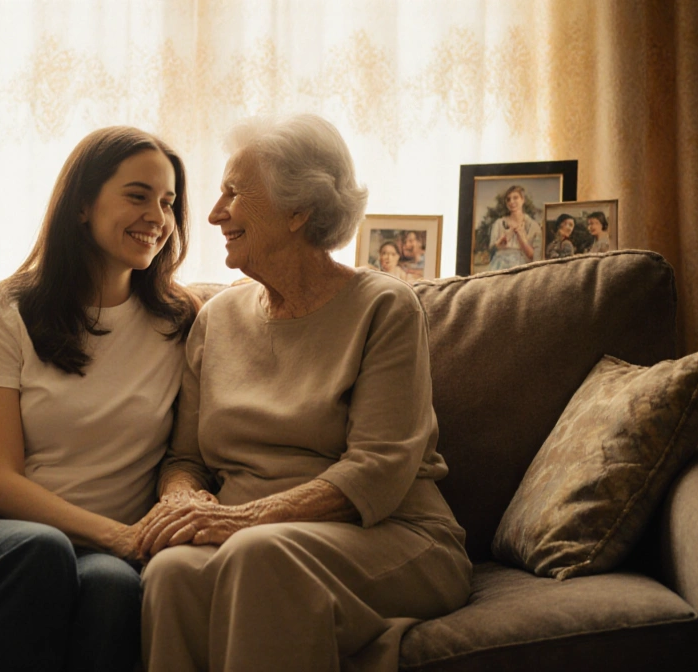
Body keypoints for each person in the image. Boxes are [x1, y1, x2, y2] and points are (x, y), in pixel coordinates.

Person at [136, 114, 471, 672]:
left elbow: (378, 468)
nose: (215, 213)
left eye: (233, 194)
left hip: (388, 533)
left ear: (298, 210)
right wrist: (180, 498)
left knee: (256, 554)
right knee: (171, 571)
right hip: (253, 541)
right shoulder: (216, 319)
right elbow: (185, 458)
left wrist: (245, 521)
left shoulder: (384, 307)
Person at [0, 126, 198, 672]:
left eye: (168, 202)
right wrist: (124, 538)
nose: (157, 215)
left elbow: (193, 453)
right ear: (81, 205)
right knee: (41, 552)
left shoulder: (181, 324)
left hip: (96, 556)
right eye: (137, 195)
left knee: (111, 587)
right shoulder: (3, 311)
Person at [486, 185, 542, 270]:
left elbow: (535, 257)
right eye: (508, 199)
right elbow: (491, 253)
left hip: (520, 266)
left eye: (515, 198)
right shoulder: (499, 224)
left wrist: (523, 240)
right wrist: (498, 244)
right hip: (499, 266)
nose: (511, 202)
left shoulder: (533, 226)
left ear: (523, 200)